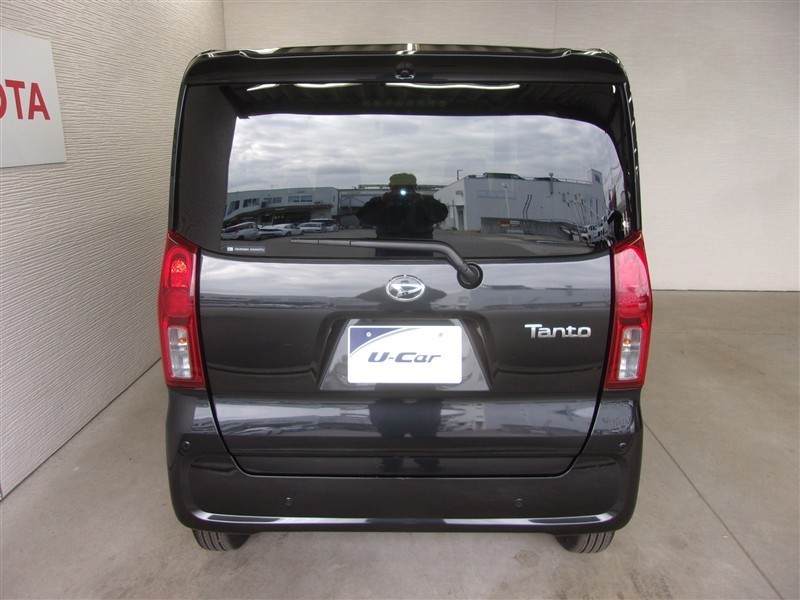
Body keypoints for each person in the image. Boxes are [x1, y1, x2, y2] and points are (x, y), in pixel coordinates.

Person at [357, 173, 448, 241]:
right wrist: (381, 202)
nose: (403, 191)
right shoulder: (382, 201)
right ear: (390, 187)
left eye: (408, 187)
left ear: (415, 186)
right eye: (397, 187)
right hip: (389, 247)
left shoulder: (425, 200)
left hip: (419, 246)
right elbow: (364, 219)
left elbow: (441, 215)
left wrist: (422, 203)